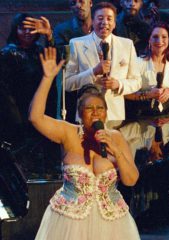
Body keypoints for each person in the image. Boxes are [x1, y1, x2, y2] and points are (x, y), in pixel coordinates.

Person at [31, 47, 140, 239]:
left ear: (106, 113)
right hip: (69, 222)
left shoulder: (115, 137)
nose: (96, 112)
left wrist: (117, 152)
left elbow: (131, 180)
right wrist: (47, 78)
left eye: (100, 108)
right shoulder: (68, 132)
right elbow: (35, 118)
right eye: (89, 108)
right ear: (80, 114)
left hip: (111, 223)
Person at [0, 13, 60, 177]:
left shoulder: (40, 51)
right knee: (24, 162)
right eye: (22, 28)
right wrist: (16, 117)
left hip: (42, 108)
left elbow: (56, 63)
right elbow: (4, 91)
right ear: (15, 30)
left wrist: (49, 36)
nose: (27, 32)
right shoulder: (7, 54)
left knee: (45, 159)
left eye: (31, 28)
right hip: (18, 114)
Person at [65, 2, 142, 122]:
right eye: (100, 18)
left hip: (115, 116)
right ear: (92, 21)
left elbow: (137, 81)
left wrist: (118, 84)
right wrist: (93, 72)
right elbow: (67, 83)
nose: (105, 22)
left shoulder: (127, 44)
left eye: (109, 19)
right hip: (86, 115)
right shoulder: (76, 44)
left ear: (114, 23)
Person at [125, 22, 169, 117]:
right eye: (155, 36)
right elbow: (126, 93)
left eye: (164, 37)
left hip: (164, 116)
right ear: (149, 40)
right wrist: (149, 94)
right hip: (141, 116)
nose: (159, 40)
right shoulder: (138, 62)